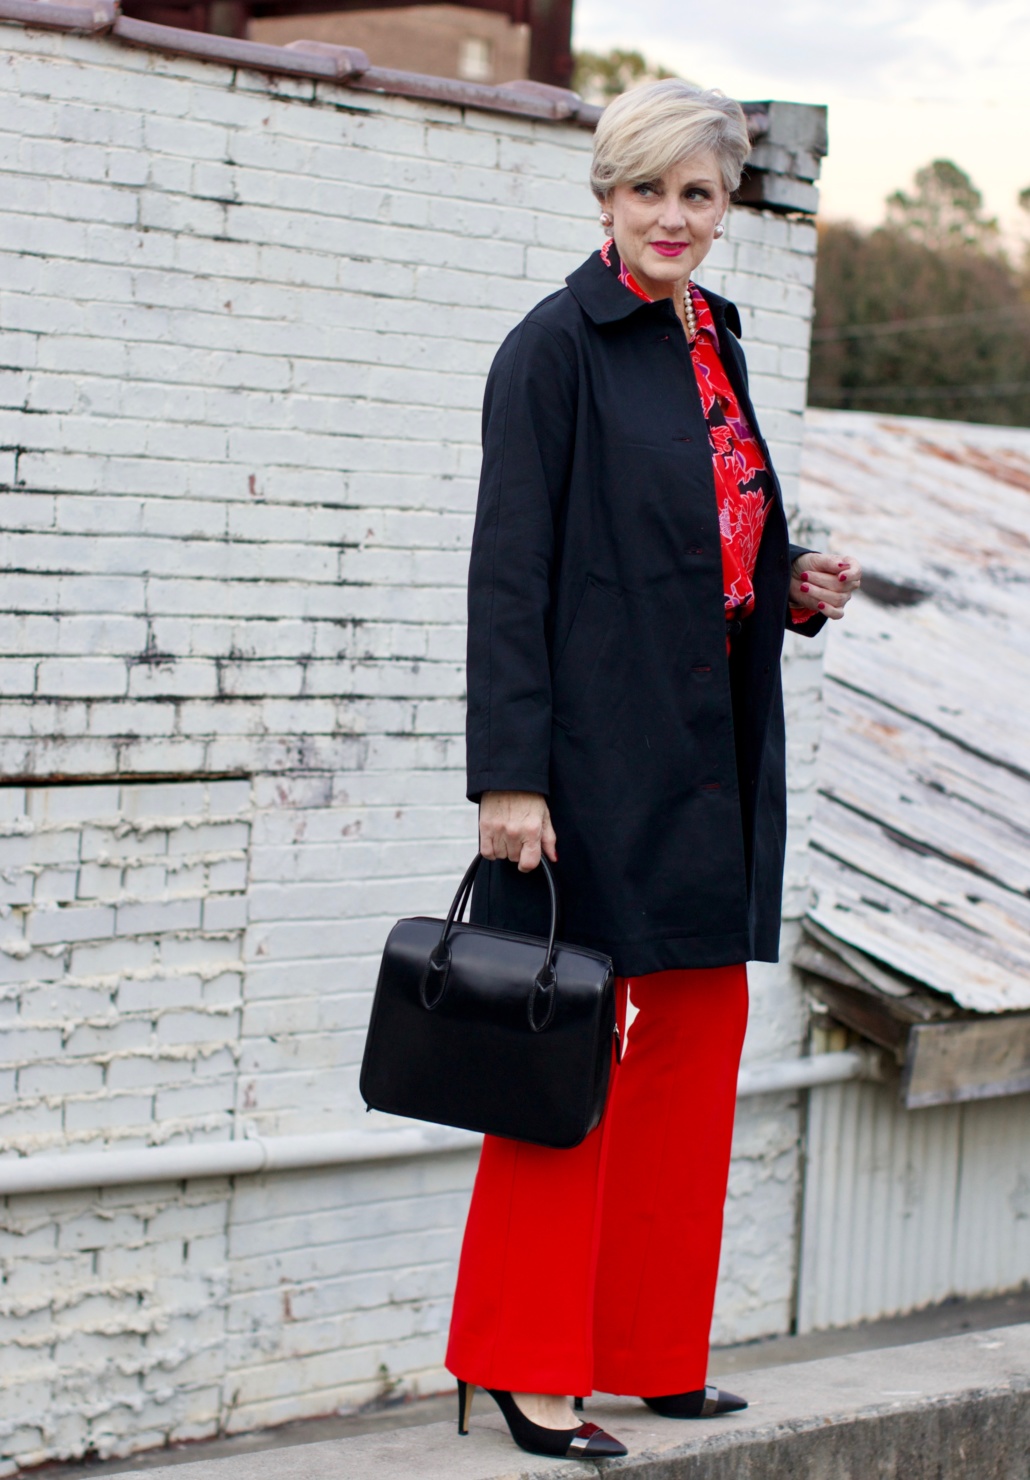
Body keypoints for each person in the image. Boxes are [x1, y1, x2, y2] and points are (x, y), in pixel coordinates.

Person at [446, 78, 862, 1461]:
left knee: (690, 1061)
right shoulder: (552, 347)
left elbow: (708, 532)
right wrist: (511, 779)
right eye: (648, 191)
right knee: (564, 1070)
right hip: (588, 766)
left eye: (699, 194)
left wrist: (789, 583)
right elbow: (509, 577)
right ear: (605, 195)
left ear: (724, 206)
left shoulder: (715, 339)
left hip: (711, 757)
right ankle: (524, 1361)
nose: (673, 218)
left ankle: (646, 1349)